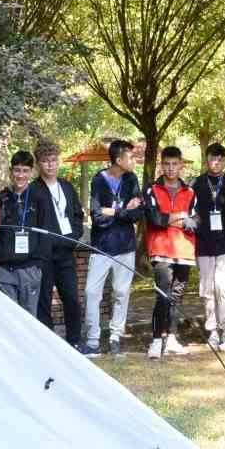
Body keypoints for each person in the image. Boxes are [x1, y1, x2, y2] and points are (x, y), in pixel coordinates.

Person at [83, 139, 144, 357]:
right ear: (118, 160)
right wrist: (123, 211)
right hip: (102, 247)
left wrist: (115, 212)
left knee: (121, 292)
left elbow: (138, 213)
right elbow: (98, 217)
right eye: (130, 157)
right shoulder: (99, 180)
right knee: (91, 292)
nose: (134, 161)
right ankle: (92, 340)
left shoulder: (131, 179)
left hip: (126, 245)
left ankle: (116, 336)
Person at [145, 146, 198, 358]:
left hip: (185, 250)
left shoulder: (191, 191)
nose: (170, 168)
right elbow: (155, 219)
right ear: (161, 164)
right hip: (161, 249)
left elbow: (196, 220)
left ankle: (173, 338)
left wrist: (179, 219)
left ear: (181, 165)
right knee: (163, 296)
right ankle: (156, 340)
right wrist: (181, 217)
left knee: (177, 297)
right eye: (166, 164)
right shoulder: (152, 190)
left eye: (174, 164)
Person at [33, 141, 86, 345]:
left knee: (72, 297)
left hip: (66, 252)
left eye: (54, 160)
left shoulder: (67, 186)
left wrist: (75, 235)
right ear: (39, 164)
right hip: (44, 254)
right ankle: (49, 343)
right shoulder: (34, 190)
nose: (50, 165)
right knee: (43, 300)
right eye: (46, 161)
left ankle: (74, 340)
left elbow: (77, 215)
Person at [192, 143, 225, 351]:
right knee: (208, 289)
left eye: (221, 159)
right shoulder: (196, 184)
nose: (217, 162)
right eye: (213, 158)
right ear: (206, 160)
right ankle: (212, 329)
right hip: (203, 243)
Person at [0, 151, 49, 313]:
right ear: (10, 171)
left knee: (28, 320)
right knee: (8, 318)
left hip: (30, 269)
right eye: (17, 170)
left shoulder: (40, 198)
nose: (20, 175)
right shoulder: (1, 198)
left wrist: (38, 264)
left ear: (32, 172)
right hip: (3, 269)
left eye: (25, 170)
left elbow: (45, 232)